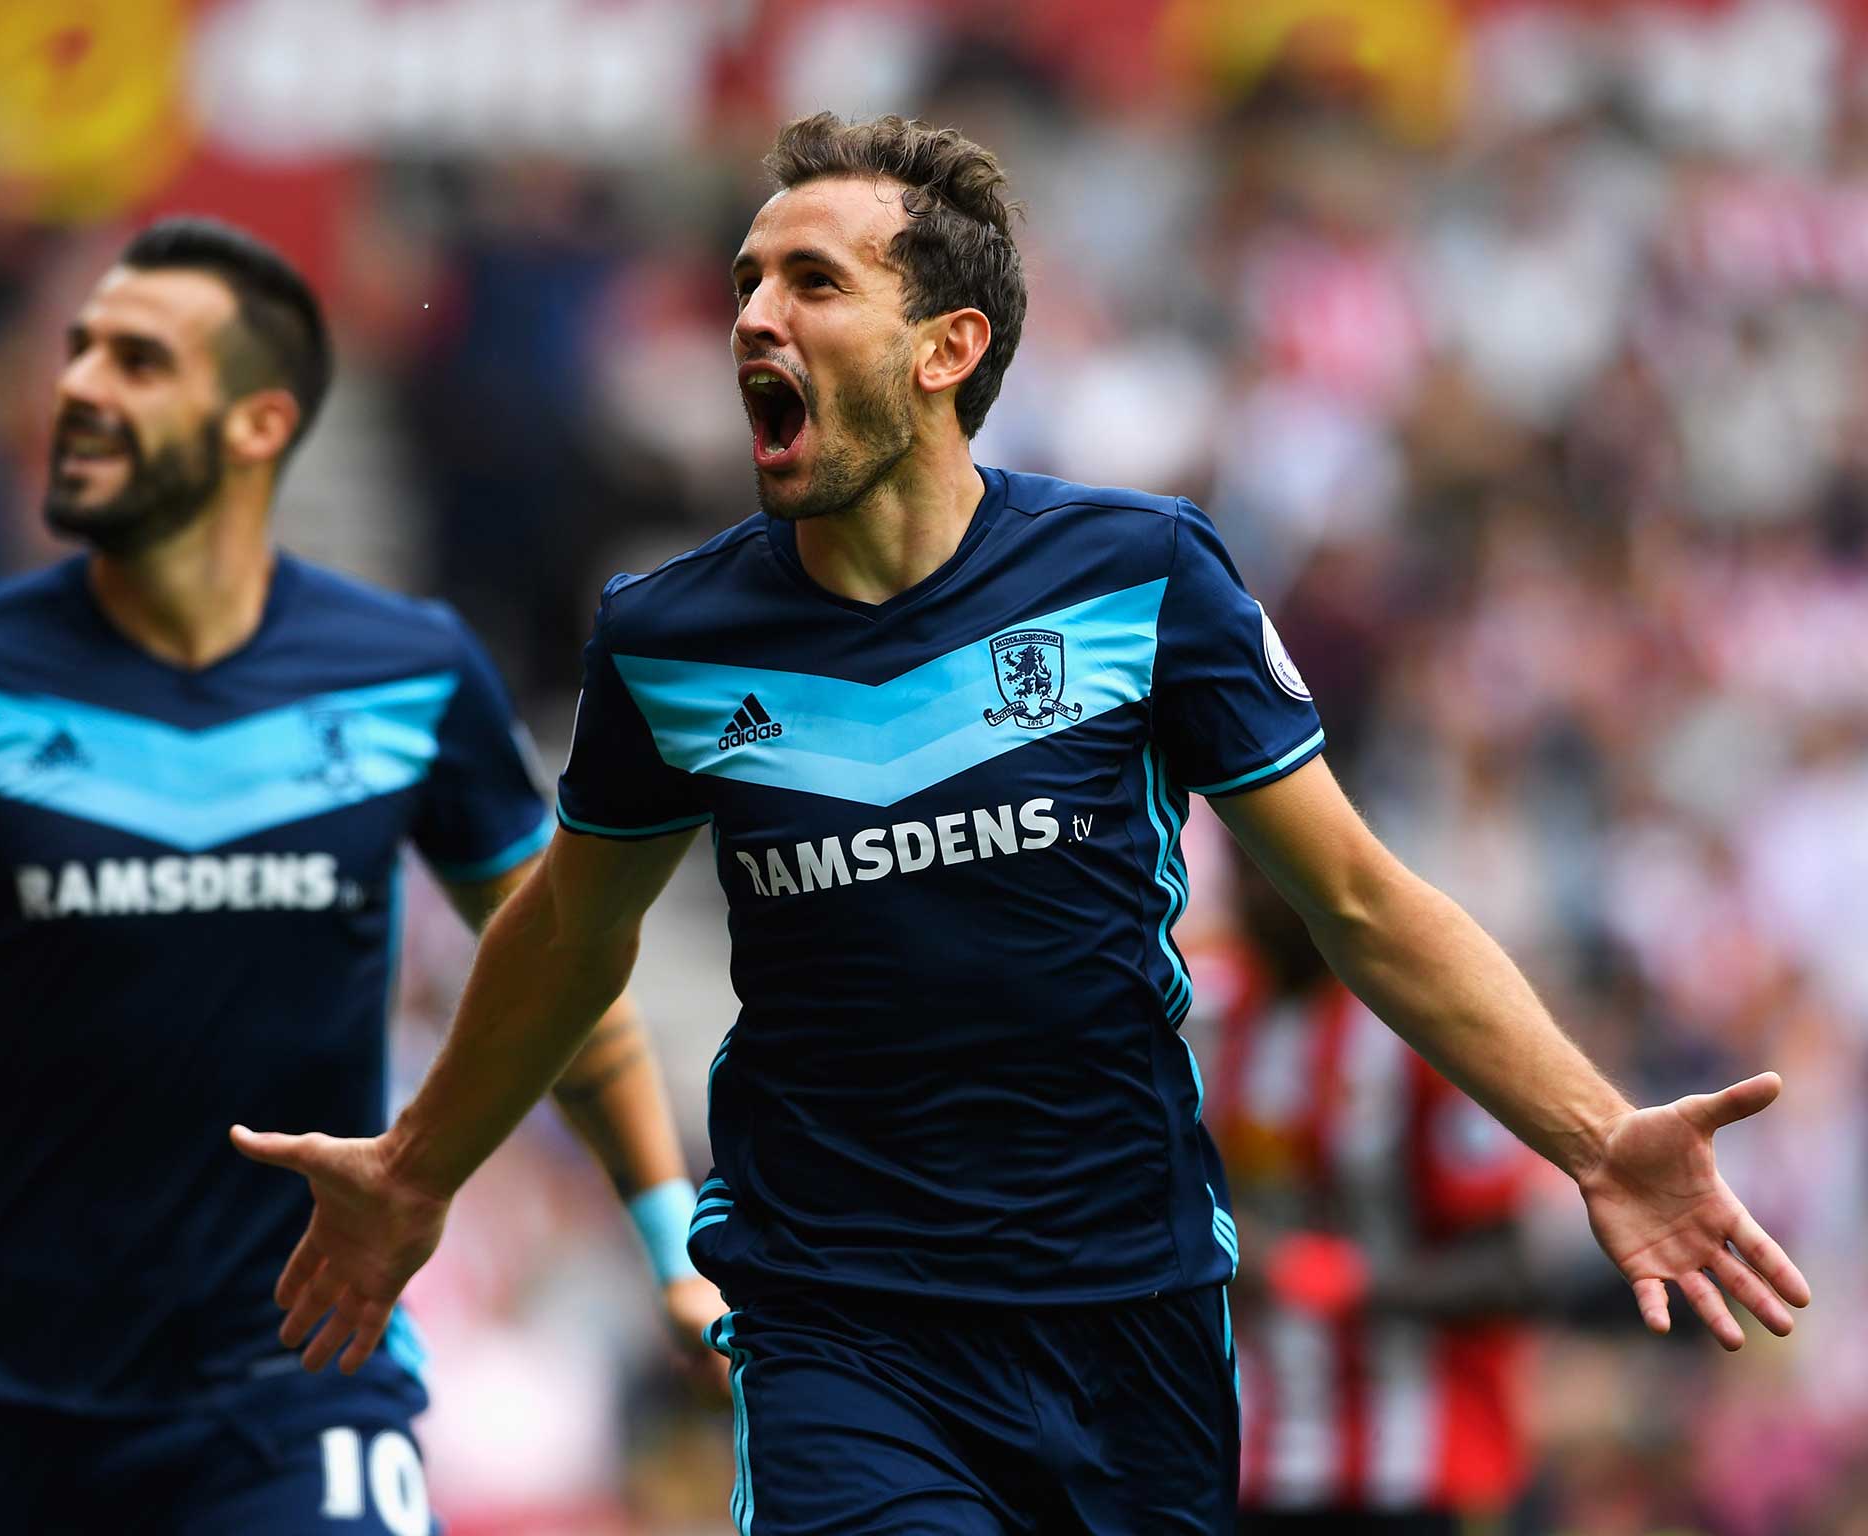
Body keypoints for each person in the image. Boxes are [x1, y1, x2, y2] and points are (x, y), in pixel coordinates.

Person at [235, 115, 1811, 1535]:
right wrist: (422, 1168)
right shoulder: (669, 636)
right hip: (840, 1326)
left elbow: (1362, 903)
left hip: (1130, 1314)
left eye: (813, 280)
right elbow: (574, 933)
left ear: (947, 347)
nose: (753, 317)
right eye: (744, 282)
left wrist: (1597, 1137)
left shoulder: (1140, 580)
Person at [0, 217, 721, 1534]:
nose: (79, 385)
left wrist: (668, 1248)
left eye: (137, 360)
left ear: (258, 422)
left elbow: (564, 966)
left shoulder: (409, 674)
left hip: (299, 1388)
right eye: (77, 353)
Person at [1199, 861, 1537, 1535]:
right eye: (1246, 869)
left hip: (1415, 1468)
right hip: (1253, 1462)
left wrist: (1328, 1279)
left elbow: (1508, 1269)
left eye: (1275, 864)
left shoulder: (1420, 1021)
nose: (1257, 895)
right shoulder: (1203, 1019)